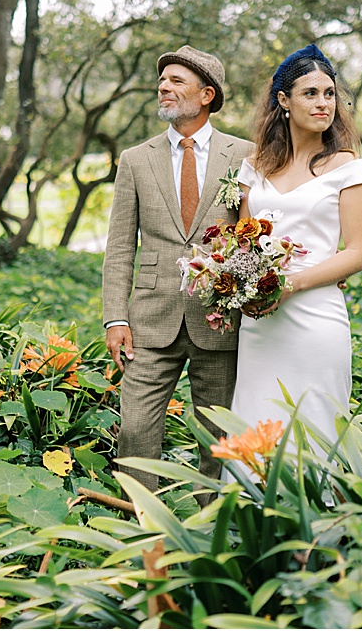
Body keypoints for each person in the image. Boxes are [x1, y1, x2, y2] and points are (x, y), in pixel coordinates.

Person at [102, 45, 254, 498]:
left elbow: (260, 230)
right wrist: (115, 317)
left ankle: (207, 530)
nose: (163, 87)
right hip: (149, 319)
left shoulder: (245, 154)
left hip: (218, 319)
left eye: (176, 81)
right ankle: (142, 525)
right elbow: (118, 246)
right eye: (162, 80)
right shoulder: (135, 159)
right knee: (135, 432)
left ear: (207, 94)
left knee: (217, 438)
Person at [230, 43, 362, 448]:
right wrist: (241, 286)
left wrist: (288, 285)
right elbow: (244, 242)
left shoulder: (347, 167)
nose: (323, 103)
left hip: (316, 320)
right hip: (261, 327)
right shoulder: (254, 166)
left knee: (314, 428)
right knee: (257, 428)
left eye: (329, 93)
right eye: (310, 93)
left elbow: (358, 252)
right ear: (284, 101)